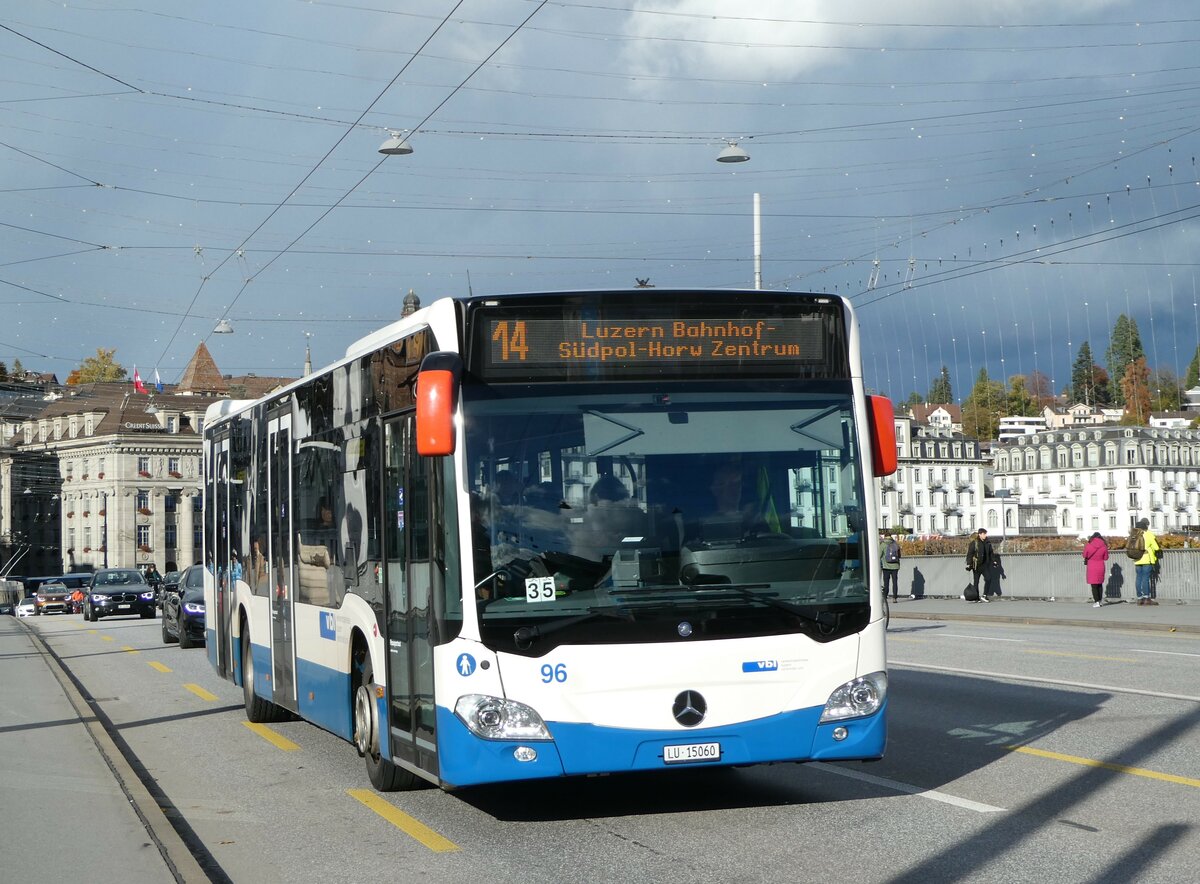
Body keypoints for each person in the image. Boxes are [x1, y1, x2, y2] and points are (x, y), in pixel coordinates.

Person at [1132, 518, 1160, 606]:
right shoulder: (1148, 534)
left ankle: (1139, 598)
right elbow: (1156, 547)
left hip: (1137, 559)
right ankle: (1147, 598)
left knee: (1138, 578)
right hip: (1147, 559)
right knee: (1145, 578)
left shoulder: (1134, 535)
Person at [964, 528, 993, 602]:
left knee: (988, 578)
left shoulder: (987, 542)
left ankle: (984, 595)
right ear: (980, 534)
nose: (985, 535)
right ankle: (976, 597)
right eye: (984, 534)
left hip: (984, 565)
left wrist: (994, 561)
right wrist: (969, 564)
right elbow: (970, 554)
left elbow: (991, 553)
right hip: (976, 565)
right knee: (976, 582)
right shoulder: (975, 543)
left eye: (985, 534)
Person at [1083, 531, 1109, 608]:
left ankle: (1096, 601)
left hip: (1091, 566)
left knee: (1094, 585)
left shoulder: (1089, 545)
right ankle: (1100, 601)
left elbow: (1084, 555)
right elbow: (1106, 558)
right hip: (1100, 566)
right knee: (1100, 584)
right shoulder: (1104, 546)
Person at [880, 530, 901, 601]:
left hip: (886, 566)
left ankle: (885, 597)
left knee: (886, 582)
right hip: (895, 566)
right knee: (895, 582)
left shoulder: (883, 544)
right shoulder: (895, 543)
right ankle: (894, 597)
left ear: (885, 536)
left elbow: (879, 555)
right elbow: (899, 555)